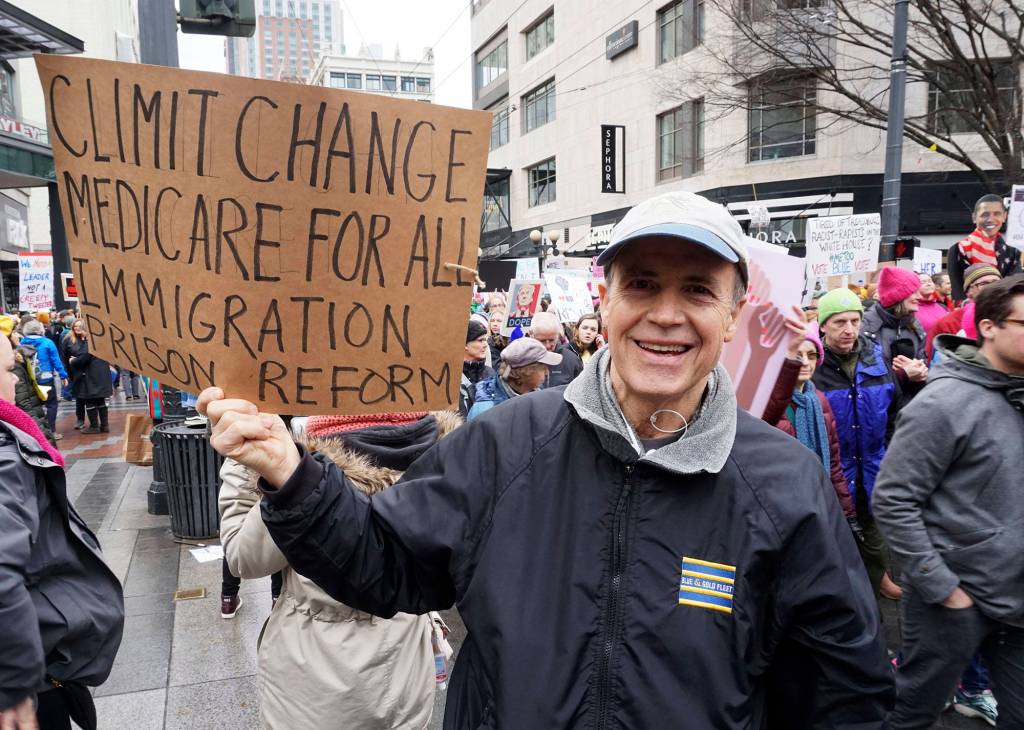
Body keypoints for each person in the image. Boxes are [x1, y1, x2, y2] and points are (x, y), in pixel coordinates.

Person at [199, 190, 892, 728]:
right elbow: (384, 564)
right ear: (606, 300)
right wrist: (290, 472)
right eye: (642, 284)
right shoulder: (507, 444)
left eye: (697, 290)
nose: (666, 314)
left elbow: (842, 692)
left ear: (734, 314)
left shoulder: (783, 483)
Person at [219, 410, 459, 729]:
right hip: (407, 668)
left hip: (315, 682)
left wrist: (244, 462)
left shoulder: (300, 479)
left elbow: (242, 558)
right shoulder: (446, 461)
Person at [874, 274, 1024, 729]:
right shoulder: (943, 402)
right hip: (953, 599)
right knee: (913, 713)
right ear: (990, 327)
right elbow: (893, 499)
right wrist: (942, 587)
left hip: (1016, 598)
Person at [0, 334, 124, 730]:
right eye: (8, 370)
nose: (15, 379)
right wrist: (14, 684)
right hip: (33, 673)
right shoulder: (5, 455)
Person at [812, 287, 902, 599]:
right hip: (835, 467)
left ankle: (878, 576)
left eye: (854, 320)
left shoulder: (876, 359)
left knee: (873, 525)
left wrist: (888, 452)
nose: (849, 329)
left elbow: (894, 410)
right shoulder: (813, 364)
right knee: (834, 530)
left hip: (874, 462)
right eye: (839, 322)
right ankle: (844, 588)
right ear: (823, 325)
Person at [763, 323, 859, 535]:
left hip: (818, 502)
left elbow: (833, 463)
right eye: (797, 355)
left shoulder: (819, 400)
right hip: (779, 512)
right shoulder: (767, 402)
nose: (805, 362)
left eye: (812, 355)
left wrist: (847, 513)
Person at [861, 266, 929, 397]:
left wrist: (921, 371)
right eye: (914, 292)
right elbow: (864, 380)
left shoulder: (915, 325)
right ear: (898, 295)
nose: (920, 296)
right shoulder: (866, 328)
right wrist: (902, 375)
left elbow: (923, 361)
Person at [947, 193, 1022, 301]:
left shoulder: (1013, 253)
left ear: (1004, 216)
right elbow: (958, 293)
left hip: (1004, 307)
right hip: (972, 307)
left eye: (997, 214)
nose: (990, 219)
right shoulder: (958, 249)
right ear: (974, 217)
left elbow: (1016, 289)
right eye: (985, 214)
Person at [466, 337, 559, 420]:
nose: (547, 372)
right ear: (526, 371)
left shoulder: (536, 392)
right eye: (543, 367)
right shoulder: (486, 411)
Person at [925, 263, 1002, 361]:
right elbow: (932, 362)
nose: (992, 287)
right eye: (983, 284)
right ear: (969, 291)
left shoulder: (1013, 317)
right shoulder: (948, 324)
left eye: (996, 282)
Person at [18, 320, 68, 437]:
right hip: (46, 378)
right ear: (40, 329)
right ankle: (51, 431)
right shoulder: (47, 342)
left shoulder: (22, 343)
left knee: (35, 406)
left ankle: (38, 432)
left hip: (30, 379)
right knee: (51, 404)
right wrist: (63, 375)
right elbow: (56, 360)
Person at [63, 320, 113, 435]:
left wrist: (73, 360)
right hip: (95, 374)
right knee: (98, 400)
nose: (77, 329)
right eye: (75, 326)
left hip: (91, 375)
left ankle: (95, 426)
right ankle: (104, 425)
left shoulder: (90, 341)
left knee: (90, 400)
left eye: (80, 327)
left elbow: (83, 357)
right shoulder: (96, 339)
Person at [11, 343, 57, 446]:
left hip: (35, 414)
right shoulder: (15, 366)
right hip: (33, 419)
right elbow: (23, 402)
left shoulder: (18, 362)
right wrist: (40, 429)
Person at [529, 311, 584, 387]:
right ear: (531, 334)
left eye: (552, 340)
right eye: (542, 341)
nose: (548, 346)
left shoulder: (571, 360)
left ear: (558, 335)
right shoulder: (521, 359)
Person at [459, 318, 494, 418]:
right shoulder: (451, 377)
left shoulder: (490, 373)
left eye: (485, 340)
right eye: (480, 340)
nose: (485, 345)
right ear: (465, 344)